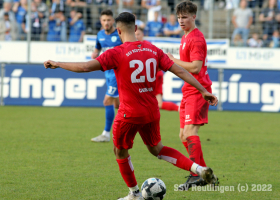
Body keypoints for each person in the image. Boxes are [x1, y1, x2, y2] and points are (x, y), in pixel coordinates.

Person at [44, 12, 218, 200]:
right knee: (157, 149)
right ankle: (198, 168)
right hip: (151, 111)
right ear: (135, 28)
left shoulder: (116, 53)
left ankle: (134, 193)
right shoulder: (153, 49)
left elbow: (86, 67)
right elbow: (180, 70)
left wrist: (58, 63)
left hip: (129, 114)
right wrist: (203, 90)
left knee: (120, 151)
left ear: (118, 31)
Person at [167, 1, 215, 190]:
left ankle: (196, 175)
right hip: (188, 90)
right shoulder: (185, 36)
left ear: (194, 16)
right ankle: (204, 174)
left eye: (185, 17)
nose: (181, 20)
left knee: (189, 133)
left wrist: (173, 61)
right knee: (182, 135)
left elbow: (195, 66)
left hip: (198, 90)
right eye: (179, 17)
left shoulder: (196, 38)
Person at [90, 9, 122, 142]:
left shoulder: (120, 35)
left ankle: (106, 134)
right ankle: (135, 125)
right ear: (100, 21)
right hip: (107, 73)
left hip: (117, 74)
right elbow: (98, 46)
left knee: (107, 101)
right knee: (118, 105)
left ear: (113, 21)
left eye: (109, 20)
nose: (106, 22)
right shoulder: (100, 34)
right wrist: (95, 53)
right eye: (104, 20)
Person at [135, 27, 179, 111]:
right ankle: (180, 108)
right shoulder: (134, 47)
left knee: (157, 104)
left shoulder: (148, 46)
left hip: (154, 76)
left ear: (143, 35)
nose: (136, 36)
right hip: (145, 76)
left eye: (138, 34)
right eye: (135, 35)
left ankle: (180, 108)